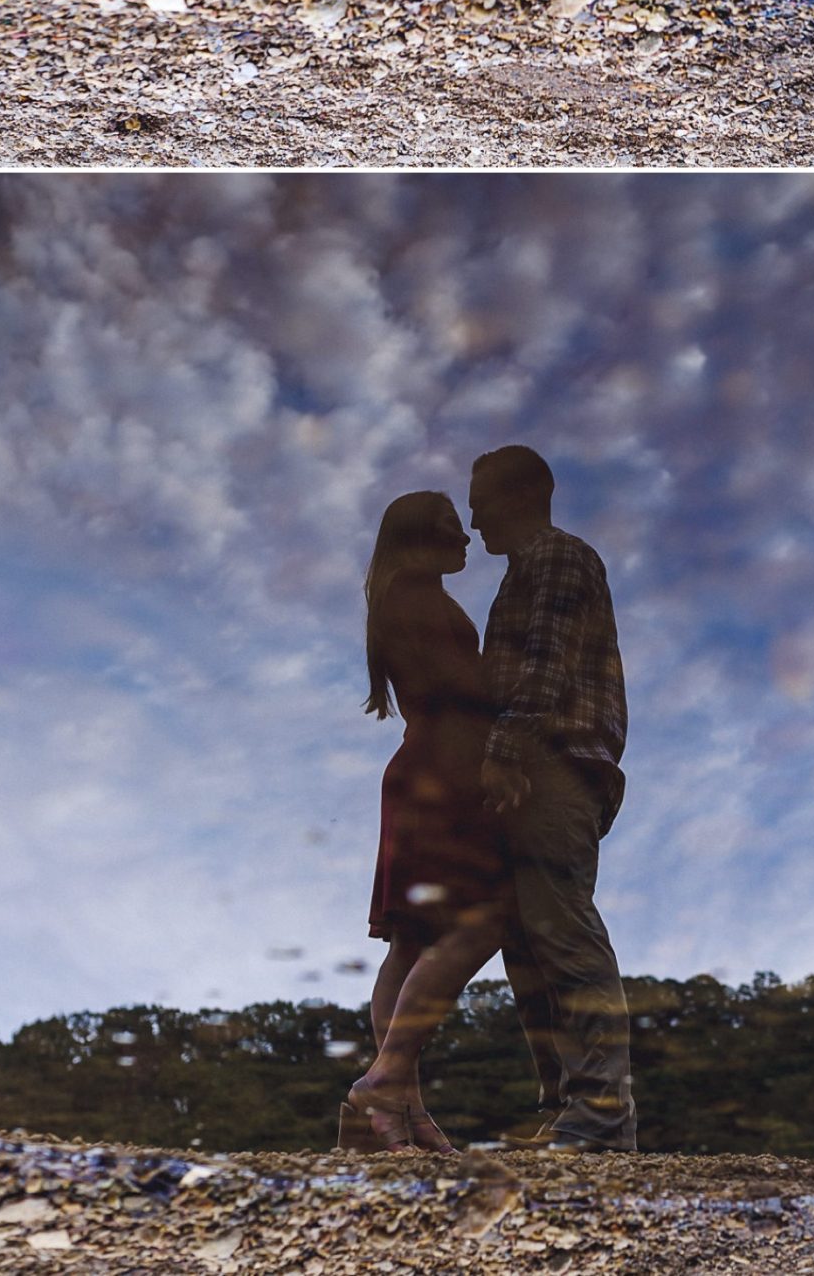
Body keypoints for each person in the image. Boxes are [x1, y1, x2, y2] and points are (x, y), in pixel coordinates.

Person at [470, 444, 637, 1150]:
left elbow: (546, 664)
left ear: (522, 495)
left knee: (562, 929)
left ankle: (601, 1114)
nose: (474, 518)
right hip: (537, 764)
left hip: (552, 765)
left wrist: (505, 751)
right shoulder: (522, 574)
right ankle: (569, 1109)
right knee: (530, 944)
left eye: (481, 500)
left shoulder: (559, 558)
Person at [344, 490, 511, 1153]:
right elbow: (463, 693)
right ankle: (386, 1082)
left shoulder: (402, 597)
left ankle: (404, 1112)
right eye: (449, 529)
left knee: (409, 943)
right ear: (417, 537)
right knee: (487, 919)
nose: (466, 537)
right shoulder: (417, 600)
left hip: (423, 772)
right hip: (446, 773)